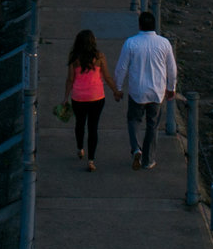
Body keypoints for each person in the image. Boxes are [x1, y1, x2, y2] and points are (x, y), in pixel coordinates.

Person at [112, 10, 178, 170]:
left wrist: (118, 88)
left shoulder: (131, 43)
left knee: (134, 120)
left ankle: (136, 148)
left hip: (137, 91)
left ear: (140, 25)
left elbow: (121, 68)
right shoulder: (164, 43)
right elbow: (172, 68)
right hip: (157, 91)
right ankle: (148, 159)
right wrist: (171, 87)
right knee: (152, 125)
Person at [66, 29, 115, 170]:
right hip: (96, 97)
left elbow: (70, 79)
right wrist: (116, 91)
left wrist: (65, 97)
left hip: (78, 97)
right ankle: (91, 161)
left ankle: (80, 148)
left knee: (80, 124)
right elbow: (107, 77)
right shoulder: (99, 56)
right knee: (93, 128)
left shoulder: (74, 57)